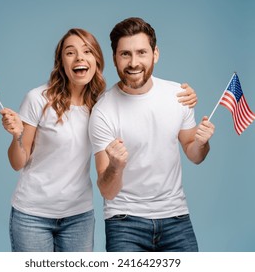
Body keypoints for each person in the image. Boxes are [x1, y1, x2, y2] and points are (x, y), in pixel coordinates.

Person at [0, 28, 198, 252]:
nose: (79, 58)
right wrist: (17, 136)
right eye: (70, 52)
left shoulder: (100, 103)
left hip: (78, 216)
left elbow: (135, 88)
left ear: (97, 60)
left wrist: (183, 94)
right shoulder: (38, 99)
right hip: (33, 214)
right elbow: (18, 162)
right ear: (61, 61)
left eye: (87, 51)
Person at [88, 17, 215, 252]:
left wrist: (202, 142)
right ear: (115, 57)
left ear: (155, 54)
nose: (134, 62)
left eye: (141, 52)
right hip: (124, 222)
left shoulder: (179, 95)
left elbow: (194, 154)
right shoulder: (103, 111)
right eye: (125, 54)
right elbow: (107, 190)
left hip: (176, 217)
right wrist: (116, 165)